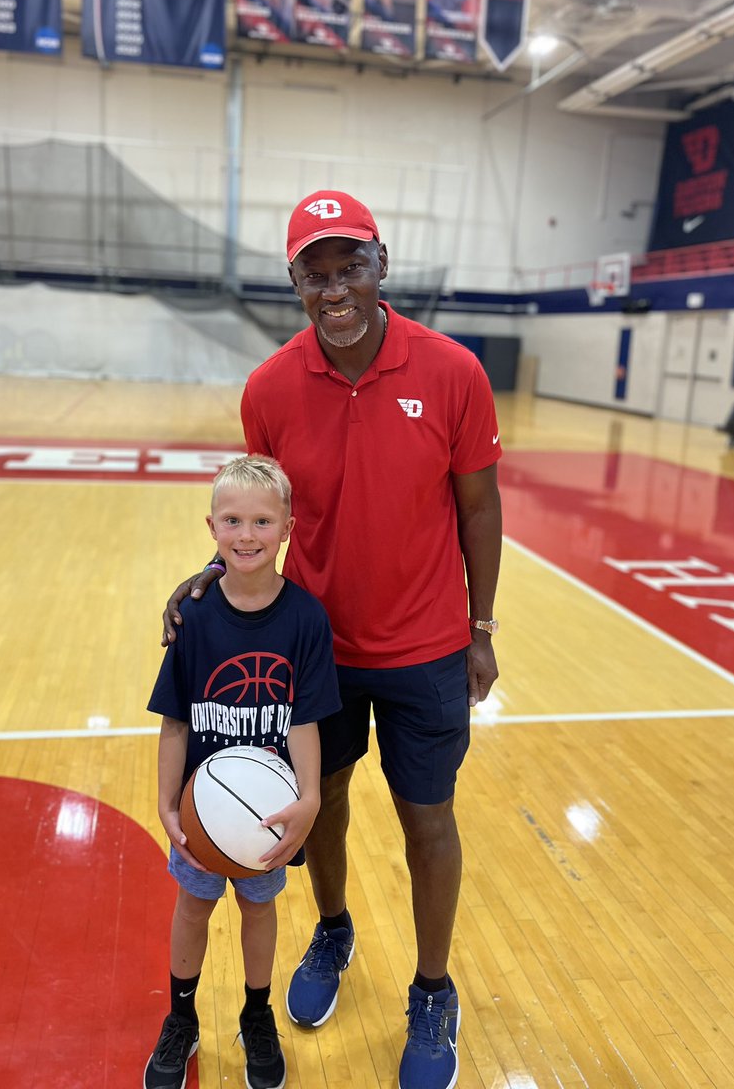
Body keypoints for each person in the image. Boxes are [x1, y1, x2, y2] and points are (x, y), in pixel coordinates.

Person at [163, 190, 502, 1089]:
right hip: (317, 649)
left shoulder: (454, 372)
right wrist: (215, 575)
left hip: (429, 647)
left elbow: (480, 504)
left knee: (428, 820)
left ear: (381, 263)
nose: (335, 286)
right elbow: (261, 514)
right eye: (315, 272)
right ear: (295, 283)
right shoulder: (270, 388)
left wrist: (483, 626)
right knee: (324, 805)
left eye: (349, 265)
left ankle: (433, 989)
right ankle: (335, 927)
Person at [145, 454, 341, 1089]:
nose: (247, 535)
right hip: (204, 812)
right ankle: (181, 1018)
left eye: (262, 521)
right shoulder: (193, 617)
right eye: (233, 520)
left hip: (268, 816)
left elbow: (307, 721)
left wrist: (309, 798)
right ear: (211, 527)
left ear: (287, 527)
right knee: (193, 907)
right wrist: (168, 806)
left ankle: (256, 1016)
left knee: (260, 912)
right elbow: (174, 722)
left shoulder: (306, 619)